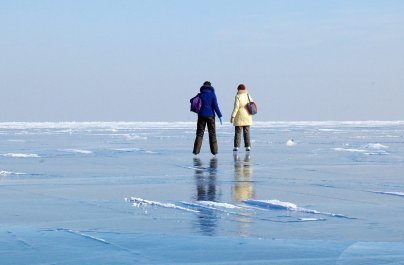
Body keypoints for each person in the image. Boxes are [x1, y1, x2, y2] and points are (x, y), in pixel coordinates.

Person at [192, 81, 223, 155]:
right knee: (212, 134)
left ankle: (196, 151)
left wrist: (197, 98)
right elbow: (215, 106)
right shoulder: (212, 95)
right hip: (210, 116)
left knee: (199, 134)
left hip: (201, 116)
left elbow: (191, 100)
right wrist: (220, 116)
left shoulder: (200, 94)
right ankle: (214, 152)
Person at [230, 84, 253, 151]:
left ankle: (236, 146)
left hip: (239, 116)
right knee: (247, 132)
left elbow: (236, 107)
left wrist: (232, 116)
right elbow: (252, 103)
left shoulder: (238, 96)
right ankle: (248, 146)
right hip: (247, 116)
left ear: (238, 89)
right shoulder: (248, 95)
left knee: (238, 132)